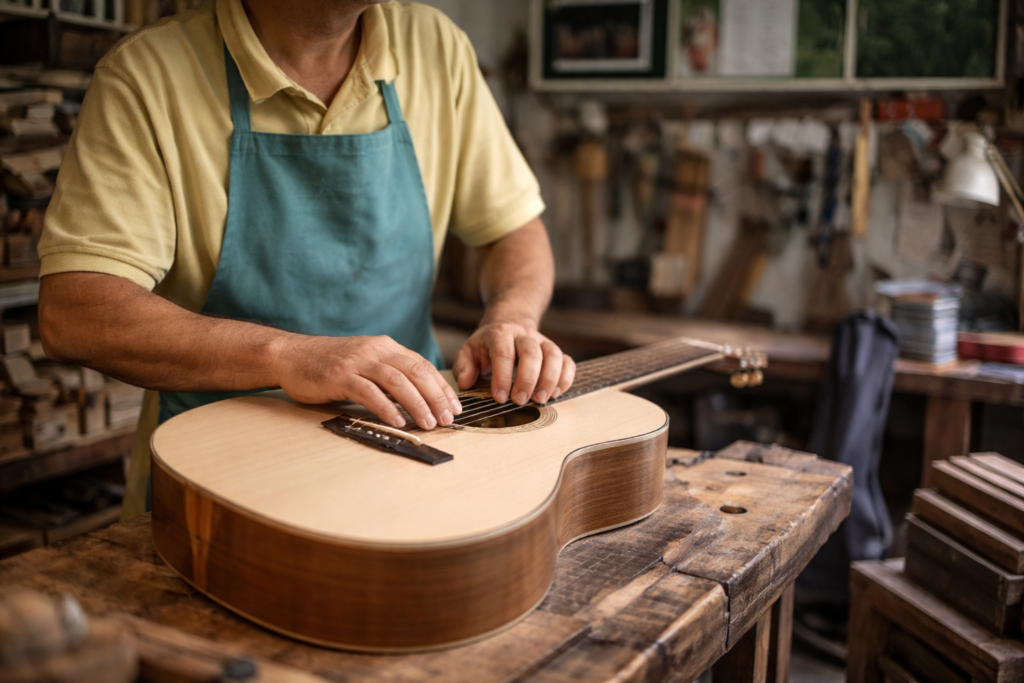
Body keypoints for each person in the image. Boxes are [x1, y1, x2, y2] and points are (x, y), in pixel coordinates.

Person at [36, 0, 575, 518]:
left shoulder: (435, 45)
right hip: (217, 484)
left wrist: (512, 318)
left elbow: (513, 231)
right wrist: (289, 357)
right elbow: (76, 312)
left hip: (419, 452)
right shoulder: (146, 76)